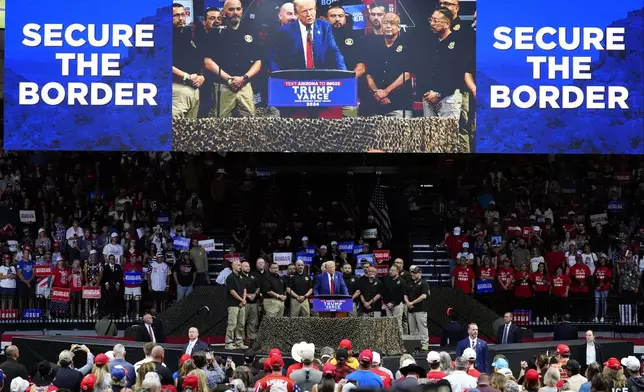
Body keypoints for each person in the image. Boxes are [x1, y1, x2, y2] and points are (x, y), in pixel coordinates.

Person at [270, 0, 346, 71]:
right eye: (304, 11)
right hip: (295, 78)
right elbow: (274, 58)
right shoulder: (285, 31)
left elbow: (335, 52)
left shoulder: (324, 27)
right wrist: (278, 77)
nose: (309, 14)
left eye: (311, 9)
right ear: (296, 14)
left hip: (320, 77)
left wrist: (344, 73)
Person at [171, 3, 203, 119]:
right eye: (176, 15)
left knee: (190, 132)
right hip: (176, 89)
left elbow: (199, 60)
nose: (181, 19)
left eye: (183, 15)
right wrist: (186, 76)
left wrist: (201, 77)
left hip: (194, 90)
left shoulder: (188, 34)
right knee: (174, 131)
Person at [404, 265, 430, 351]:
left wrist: (412, 302)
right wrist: (408, 303)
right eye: (412, 273)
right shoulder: (409, 283)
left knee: (422, 327)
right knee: (412, 328)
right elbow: (405, 295)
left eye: (415, 273)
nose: (413, 275)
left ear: (420, 273)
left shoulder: (424, 283)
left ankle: (424, 344)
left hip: (421, 309)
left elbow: (424, 296)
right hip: (411, 309)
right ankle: (414, 344)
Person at [225, 260, 248, 350]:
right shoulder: (230, 277)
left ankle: (239, 342)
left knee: (241, 324)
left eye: (240, 265)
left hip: (242, 304)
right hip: (233, 304)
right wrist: (242, 299)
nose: (240, 267)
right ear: (233, 266)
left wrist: (244, 300)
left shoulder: (241, 277)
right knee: (232, 324)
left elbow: (245, 289)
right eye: (238, 265)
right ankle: (228, 343)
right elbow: (232, 291)